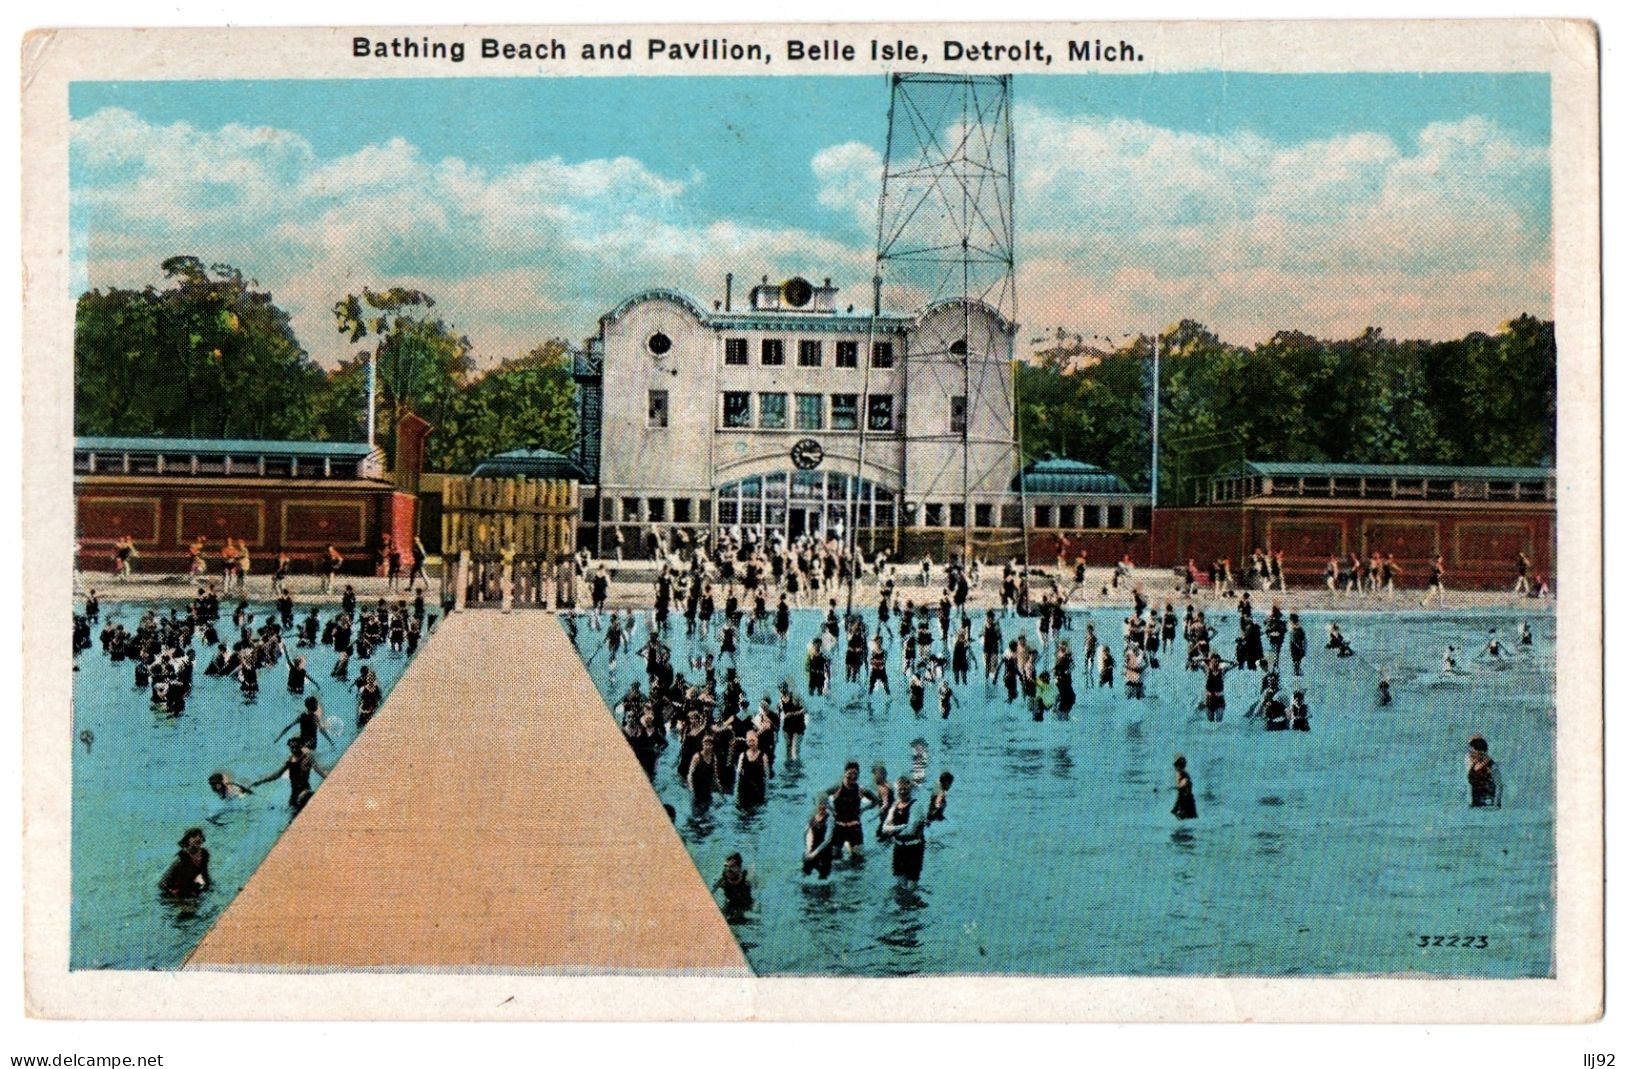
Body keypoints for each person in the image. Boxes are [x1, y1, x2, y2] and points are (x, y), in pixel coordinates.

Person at [252, 738, 329, 811]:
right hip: (294, 795)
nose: (294, 749)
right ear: (289, 748)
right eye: (292, 747)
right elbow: (276, 775)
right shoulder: (289, 760)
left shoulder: (307, 758)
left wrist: (331, 780)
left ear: (301, 746)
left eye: (296, 747)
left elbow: (319, 770)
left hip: (305, 792)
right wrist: (259, 782)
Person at [826, 761, 880, 859]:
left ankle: (850, 851)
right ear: (845, 773)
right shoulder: (837, 788)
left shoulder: (860, 789)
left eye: (855, 774)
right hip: (839, 828)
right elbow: (819, 796)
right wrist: (831, 810)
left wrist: (863, 809)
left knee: (859, 859)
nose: (853, 776)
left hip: (855, 828)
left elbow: (876, 801)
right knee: (835, 859)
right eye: (850, 773)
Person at [159, 827, 212, 898]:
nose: (198, 838)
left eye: (200, 836)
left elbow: (204, 873)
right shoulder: (182, 859)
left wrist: (207, 886)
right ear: (187, 840)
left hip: (189, 885)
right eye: (194, 836)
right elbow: (171, 882)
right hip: (174, 889)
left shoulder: (204, 854)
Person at [1466, 734, 1503, 808]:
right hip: (1475, 804)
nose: (1473, 755)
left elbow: (1499, 786)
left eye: (1476, 753)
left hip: (1489, 804)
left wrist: (1496, 804)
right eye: (1472, 753)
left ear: (1482, 753)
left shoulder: (1492, 766)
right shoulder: (1472, 764)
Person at [802, 797, 835, 879]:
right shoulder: (812, 817)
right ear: (816, 805)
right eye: (820, 804)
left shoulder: (830, 819)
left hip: (825, 851)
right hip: (812, 849)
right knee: (804, 874)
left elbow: (828, 840)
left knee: (824, 878)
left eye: (825, 804)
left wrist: (814, 853)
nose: (822, 806)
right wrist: (808, 850)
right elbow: (806, 834)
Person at [1170, 755, 1197, 820]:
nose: (1176, 768)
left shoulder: (1183, 774)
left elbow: (1184, 785)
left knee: (1187, 820)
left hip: (1186, 803)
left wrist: (1175, 808)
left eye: (1177, 766)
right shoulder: (1181, 774)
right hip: (1186, 802)